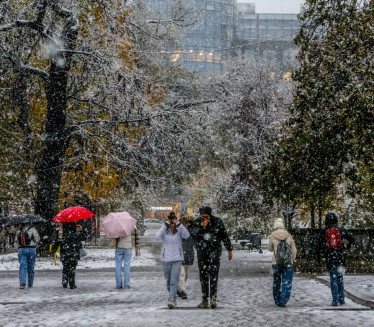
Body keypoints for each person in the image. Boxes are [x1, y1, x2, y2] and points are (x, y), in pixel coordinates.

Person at [190, 206, 233, 309]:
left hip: (214, 252)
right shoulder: (197, 223)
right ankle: (205, 299)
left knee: (214, 275)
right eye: (202, 216)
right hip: (202, 252)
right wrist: (201, 228)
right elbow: (193, 236)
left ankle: (213, 298)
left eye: (206, 216)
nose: (204, 218)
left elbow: (224, 235)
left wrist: (229, 249)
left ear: (210, 215)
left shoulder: (217, 222)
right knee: (203, 276)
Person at [317, 212, 355, 306]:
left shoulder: (324, 231)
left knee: (333, 279)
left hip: (330, 257)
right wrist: (347, 246)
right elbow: (352, 239)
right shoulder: (341, 230)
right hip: (340, 257)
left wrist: (320, 257)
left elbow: (318, 246)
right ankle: (342, 298)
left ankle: (335, 300)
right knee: (340, 278)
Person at [155, 212, 190, 309]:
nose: (171, 225)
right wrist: (164, 225)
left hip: (177, 258)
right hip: (166, 258)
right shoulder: (164, 231)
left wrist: (179, 225)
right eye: (170, 222)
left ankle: (172, 299)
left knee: (174, 280)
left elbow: (187, 235)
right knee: (168, 280)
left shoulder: (179, 230)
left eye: (173, 222)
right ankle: (173, 295)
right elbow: (157, 237)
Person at [268, 218, 297, 307]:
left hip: (276, 262)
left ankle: (277, 300)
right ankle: (283, 300)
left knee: (276, 282)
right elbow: (294, 250)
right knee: (287, 281)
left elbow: (270, 249)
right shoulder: (288, 235)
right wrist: (293, 259)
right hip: (288, 262)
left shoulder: (272, 235)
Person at [51, 222, 87, 289]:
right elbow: (83, 238)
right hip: (74, 251)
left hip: (64, 252)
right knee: (72, 267)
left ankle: (65, 281)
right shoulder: (77, 229)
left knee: (65, 267)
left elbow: (57, 241)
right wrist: (82, 230)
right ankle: (71, 282)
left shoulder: (61, 230)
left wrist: (53, 250)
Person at [16, 223, 41, 289]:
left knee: (22, 267)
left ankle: (22, 283)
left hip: (21, 249)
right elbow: (37, 240)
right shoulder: (33, 229)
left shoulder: (19, 230)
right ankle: (30, 284)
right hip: (31, 249)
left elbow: (15, 241)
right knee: (31, 267)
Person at [177, 216, 195, 300]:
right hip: (179, 255)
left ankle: (179, 288)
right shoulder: (178, 232)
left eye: (188, 223)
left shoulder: (192, 232)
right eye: (185, 223)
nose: (186, 225)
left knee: (186, 275)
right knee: (182, 274)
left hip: (189, 255)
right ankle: (183, 291)